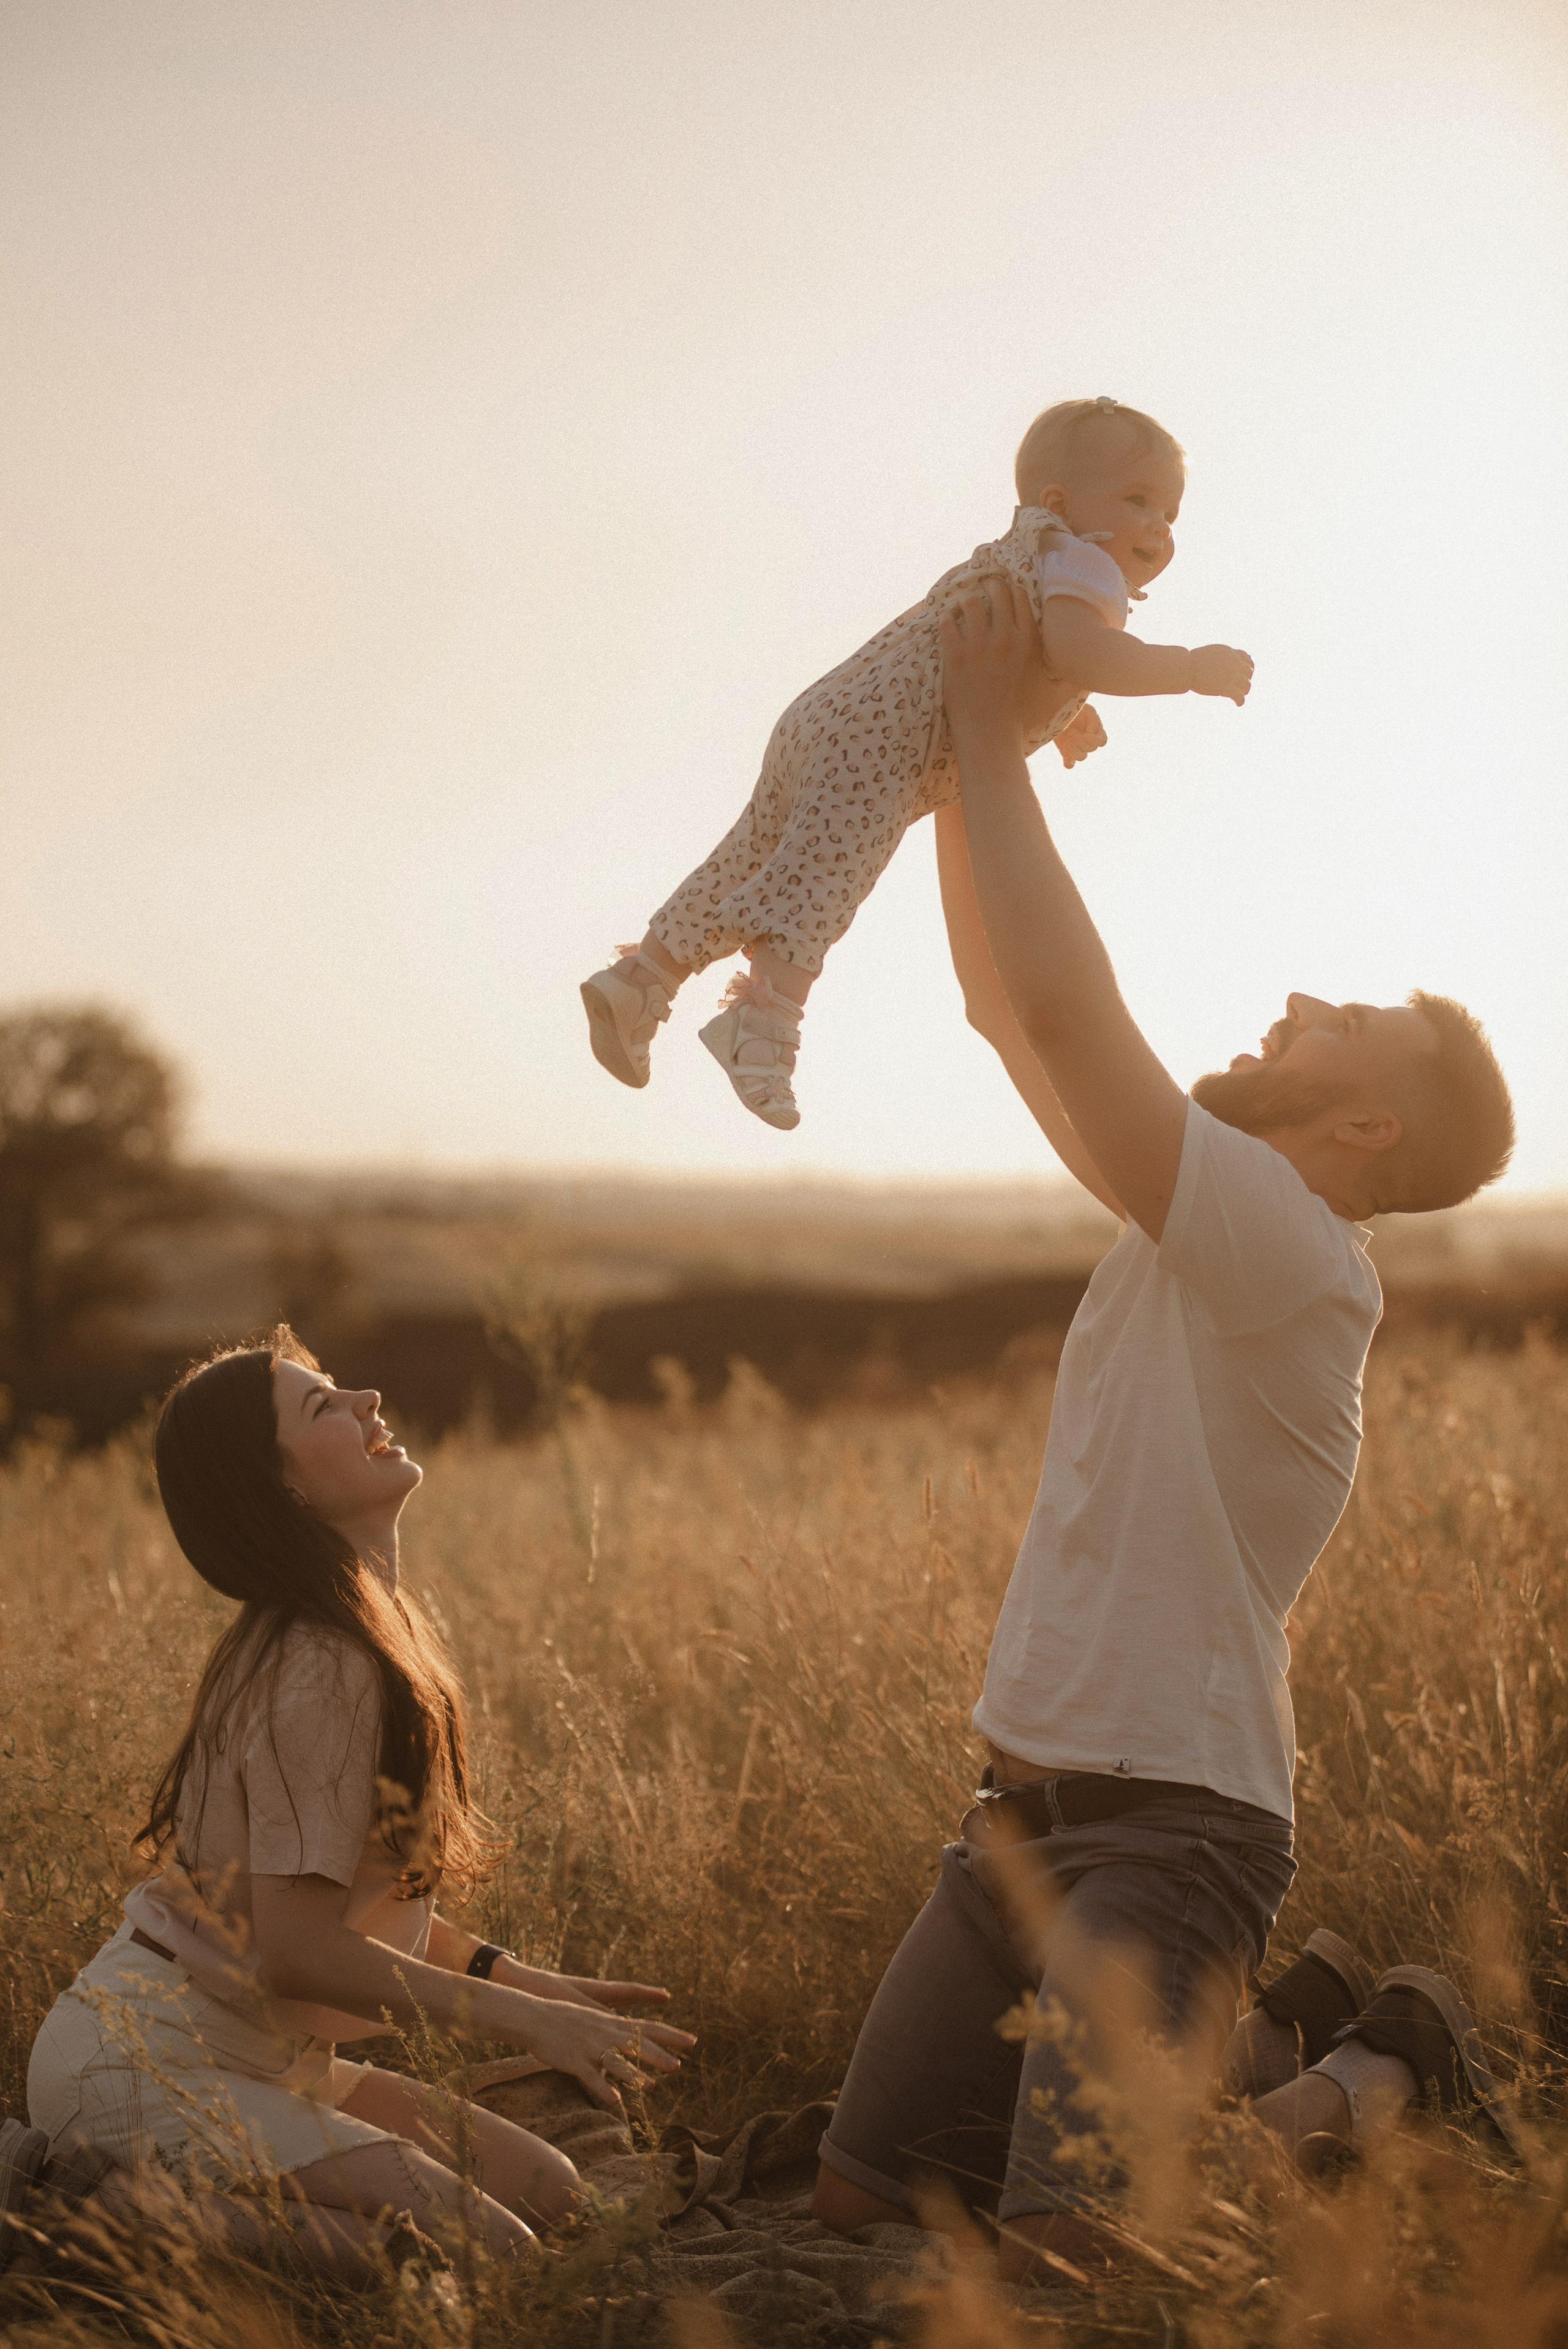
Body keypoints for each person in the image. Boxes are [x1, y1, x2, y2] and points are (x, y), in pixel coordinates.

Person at [811, 576, 1517, 2278]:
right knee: (858, 2200)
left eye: (1336, 1020)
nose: (1292, 997)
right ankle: (1265, 2039)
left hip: (1178, 1831)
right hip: (1017, 1823)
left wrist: (989, 733)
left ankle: (1359, 2071)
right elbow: (1009, 1013)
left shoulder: (1295, 1255)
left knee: (1073, 2256)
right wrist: (953, 782)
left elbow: (1064, 1015)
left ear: (1361, 1123)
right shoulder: (1191, 1215)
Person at [25, 1330, 694, 2277]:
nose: (369, 1398)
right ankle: (71, 2209)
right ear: (281, 1484)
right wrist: (526, 2025)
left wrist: (537, 1985)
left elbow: (347, 1901)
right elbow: (300, 1946)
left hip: (269, 2053)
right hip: (145, 2063)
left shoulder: (358, 1631)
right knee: (474, 2252)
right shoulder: (318, 1661)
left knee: (556, 2194)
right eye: (323, 1404)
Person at [580, 396, 1252, 1131]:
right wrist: (1187, 668)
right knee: (826, 878)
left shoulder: (1030, 553)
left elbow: (1034, 648)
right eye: (1138, 500)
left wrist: (1064, 712)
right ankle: (762, 1026)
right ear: (1060, 503)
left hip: (828, 714)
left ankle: (642, 977)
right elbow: (1079, 649)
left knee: (754, 854)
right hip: (879, 749)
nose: (1158, 525)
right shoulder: (1085, 561)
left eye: (1171, 514)